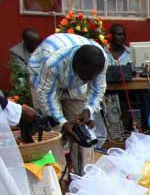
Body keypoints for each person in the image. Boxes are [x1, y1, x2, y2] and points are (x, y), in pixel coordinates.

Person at [28, 33, 107, 176]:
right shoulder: (53, 63)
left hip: (73, 82)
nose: (89, 80)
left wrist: (88, 111)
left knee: (81, 130)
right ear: (76, 65)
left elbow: (98, 89)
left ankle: (84, 176)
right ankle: (58, 179)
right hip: (42, 77)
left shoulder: (100, 61)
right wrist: (62, 123)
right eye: (87, 76)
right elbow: (46, 96)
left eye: (92, 77)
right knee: (51, 132)